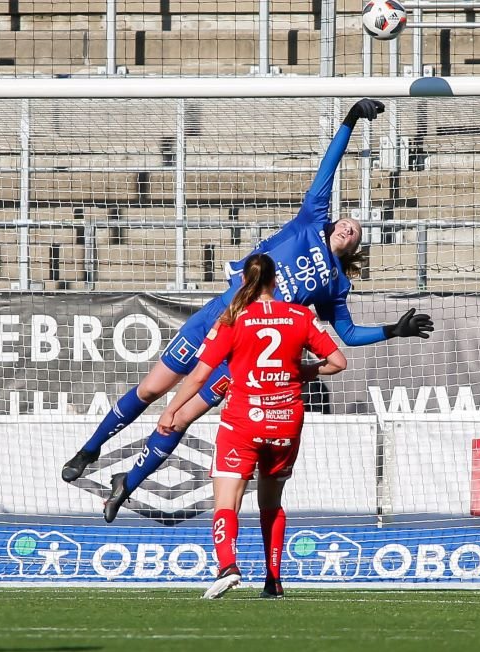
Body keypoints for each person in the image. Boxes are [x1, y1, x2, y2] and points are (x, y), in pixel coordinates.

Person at [60, 98, 433, 522]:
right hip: (216, 317)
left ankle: (127, 484)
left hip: (242, 349)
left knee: (181, 417)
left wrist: (391, 330)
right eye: (348, 221)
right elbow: (327, 171)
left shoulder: (335, 283)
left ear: (354, 248)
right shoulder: (309, 221)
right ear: (333, 224)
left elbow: (344, 336)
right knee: (150, 390)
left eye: (357, 233)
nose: (351, 226)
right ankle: (90, 449)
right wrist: (348, 120)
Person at [157, 253, 347, 599]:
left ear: (245, 281)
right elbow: (338, 362)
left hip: (243, 421)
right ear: (276, 281)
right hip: (286, 421)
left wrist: (171, 410)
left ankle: (228, 565)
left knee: (226, 502)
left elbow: (200, 375)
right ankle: (273, 581)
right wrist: (299, 373)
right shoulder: (300, 315)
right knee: (271, 503)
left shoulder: (233, 318)